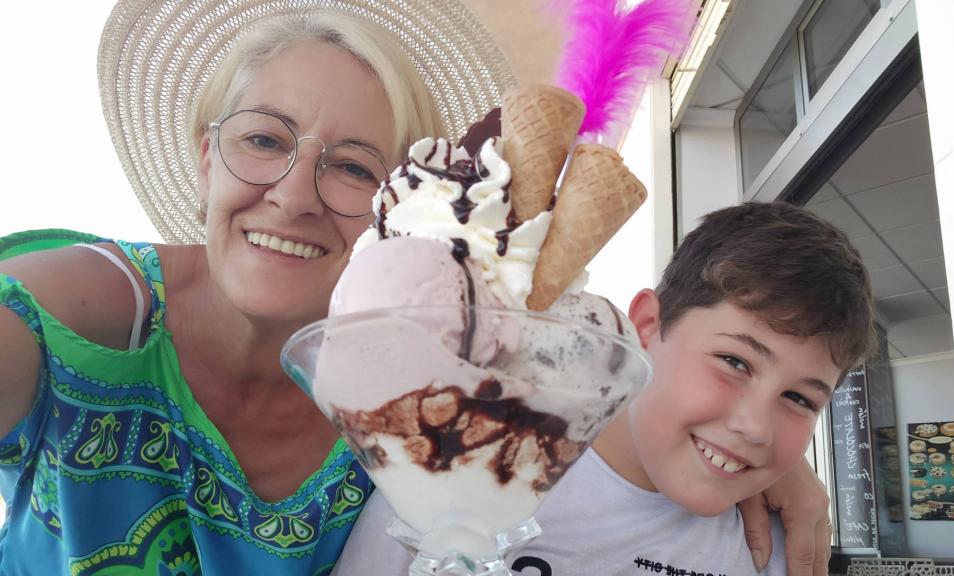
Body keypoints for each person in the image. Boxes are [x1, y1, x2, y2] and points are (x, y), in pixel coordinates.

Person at [0, 1, 831, 574]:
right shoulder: (93, 303)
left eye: (354, 166)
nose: (293, 193)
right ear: (204, 153)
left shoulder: (437, 372)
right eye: (263, 139)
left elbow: (645, 381)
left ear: (403, 208)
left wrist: (771, 456)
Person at [336, 201, 875, 576]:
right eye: (734, 361)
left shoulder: (778, 550)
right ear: (646, 327)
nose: (754, 426)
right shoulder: (470, 468)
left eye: (800, 398)